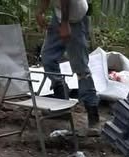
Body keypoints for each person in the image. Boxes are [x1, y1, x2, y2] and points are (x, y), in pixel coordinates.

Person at [36, 0, 100, 130]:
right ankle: (61, 104)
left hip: (76, 17)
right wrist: (40, 12)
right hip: (60, 15)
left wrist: (65, 23)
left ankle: (93, 114)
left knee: (80, 67)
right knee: (48, 57)